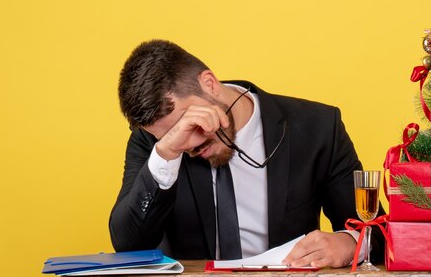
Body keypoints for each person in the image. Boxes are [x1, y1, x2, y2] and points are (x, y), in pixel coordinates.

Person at [109, 39, 384, 268]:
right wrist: (167, 152)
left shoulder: (317, 127)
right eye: (172, 135)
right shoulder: (155, 145)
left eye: (187, 122)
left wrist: (351, 244)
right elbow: (129, 246)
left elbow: (379, 233)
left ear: (209, 83)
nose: (189, 145)